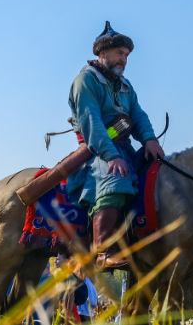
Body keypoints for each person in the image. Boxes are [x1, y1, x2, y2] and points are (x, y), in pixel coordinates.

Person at [67, 21, 165, 269]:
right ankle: (103, 251)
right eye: (120, 53)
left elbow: (139, 115)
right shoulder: (86, 80)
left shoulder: (126, 85)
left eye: (127, 55)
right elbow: (92, 123)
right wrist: (111, 156)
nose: (124, 59)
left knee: (157, 173)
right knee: (116, 179)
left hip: (124, 147)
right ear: (103, 53)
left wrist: (150, 140)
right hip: (96, 150)